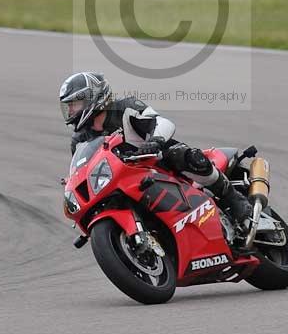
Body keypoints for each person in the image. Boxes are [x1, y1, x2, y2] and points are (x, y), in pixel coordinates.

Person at [59, 71, 252, 225]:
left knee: (181, 154)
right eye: (68, 106)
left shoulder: (125, 107)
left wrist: (156, 140)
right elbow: (82, 171)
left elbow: (162, 123)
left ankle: (234, 199)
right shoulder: (79, 141)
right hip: (123, 180)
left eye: (75, 104)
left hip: (156, 162)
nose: (70, 111)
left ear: (93, 98)